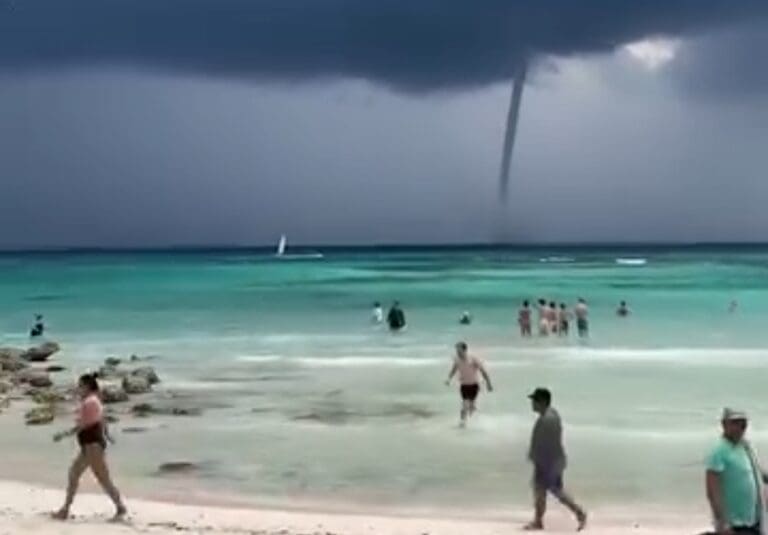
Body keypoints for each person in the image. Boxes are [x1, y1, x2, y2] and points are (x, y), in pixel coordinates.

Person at [52, 373, 126, 521]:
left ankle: (120, 508)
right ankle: (65, 509)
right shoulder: (94, 400)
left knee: (103, 479)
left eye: (80, 386)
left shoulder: (90, 402)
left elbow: (83, 425)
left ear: (87, 386)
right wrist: (107, 435)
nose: (78, 389)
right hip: (89, 445)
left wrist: (63, 434)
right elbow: (102, 420)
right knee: (74, 474)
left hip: (93, 446)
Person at [525, 388, 587, 531]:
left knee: (556, 491)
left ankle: (580, 513)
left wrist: (541, 463)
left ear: (542, 401)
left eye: (535, 400)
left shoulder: (548, 419)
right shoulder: (549, 415)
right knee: (541, 491)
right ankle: (538, 521)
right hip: (550, 461)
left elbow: (549, 444)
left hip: (549, 462)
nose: (532, 403)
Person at [705, 408, 767, 535]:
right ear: (724, 424)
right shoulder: (719, 451)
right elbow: (712, 491)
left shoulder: (746, 447)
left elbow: (756, 474)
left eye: (743, 423)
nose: (740, 427)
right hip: (734, 525)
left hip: (755, 521)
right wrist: (722, 523)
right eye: (735, 423)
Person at [445, 342, 492, 427]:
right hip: (464, 385)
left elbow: (483, 371)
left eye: (459, 350)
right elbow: (454, 369)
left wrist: (488, 383)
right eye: (457, 350)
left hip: (474, 385)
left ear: (464, 350)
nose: (457, 352)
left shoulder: (473, 359)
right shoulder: (457, 359)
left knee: (471, 406)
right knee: (465, 404)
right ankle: (462, 422)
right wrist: (449, 379)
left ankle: (473, 413)